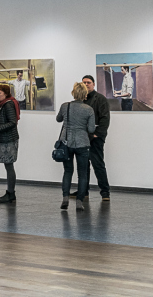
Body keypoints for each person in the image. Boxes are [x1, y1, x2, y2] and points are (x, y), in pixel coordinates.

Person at [57, 82, 96, 211]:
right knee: (82, 174)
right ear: (85, 94)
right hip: (82, 143)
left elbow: (58, 119)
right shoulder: (89, 109)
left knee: (68, 171)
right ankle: (79, 201)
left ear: (73, 93)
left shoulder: (65, 106)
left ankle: (65, 198)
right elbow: (90, 129)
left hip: (66, 143)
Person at [81, 75, 111, 201]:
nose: (86, 84)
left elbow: (105, 118)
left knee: (98, 164)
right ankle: (84, 192)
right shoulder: (80, 99)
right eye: (84, 83)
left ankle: (105, 193)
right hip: (83, 137)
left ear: (93, 84)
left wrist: (97, 134)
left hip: (96, 137)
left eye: (88, 82)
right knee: (83, 165)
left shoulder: (101, 99)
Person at [0, 84, 19, 203]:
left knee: (9, 166)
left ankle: (11, 193)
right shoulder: (4, 105)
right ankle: (10, 192)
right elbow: (7, 121)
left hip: (9, 139)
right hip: (6, 139)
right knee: (8, 166)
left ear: (6, 94)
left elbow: (13, 122)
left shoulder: (8, 105)